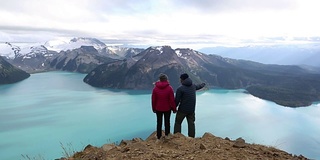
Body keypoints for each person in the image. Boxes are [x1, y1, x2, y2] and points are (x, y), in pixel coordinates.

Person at [174, 73, 205, 138]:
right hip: (191, 110)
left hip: (182, 110)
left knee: (178, 123)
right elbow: (198, 86)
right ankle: (191, 138)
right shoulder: (193, 86)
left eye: (180, 79)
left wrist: (174, 108)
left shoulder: (180, 89)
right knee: (191, 124)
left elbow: (177, 100)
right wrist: (203, 84)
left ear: (182, 79)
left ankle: (177, 137)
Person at [152, 73, 176, 140]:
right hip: (167, 108)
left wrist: (153, 108)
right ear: (166, 79)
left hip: (158, 108)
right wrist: (174, 109)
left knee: (159, 122)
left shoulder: (155, 88)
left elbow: (153, 100)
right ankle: (167, 136)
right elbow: (172, 100)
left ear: (160, 80)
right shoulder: (169, 88)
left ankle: (159, 137)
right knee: (167, 122)